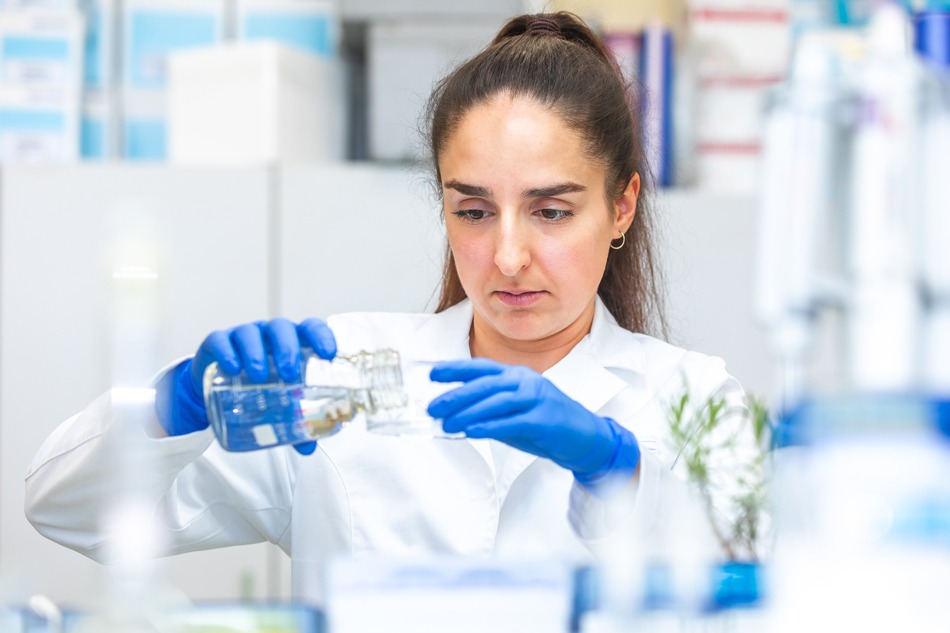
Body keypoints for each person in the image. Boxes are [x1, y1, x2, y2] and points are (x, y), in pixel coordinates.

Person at [25, 12, 753, 606]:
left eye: (552, 211)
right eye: (472, 209)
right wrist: (174, 402)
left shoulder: (694, 398)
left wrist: (616, 467)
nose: (506, 256)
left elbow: (765, 575)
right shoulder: (341, 381)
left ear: (621, 205)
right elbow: (62, 505)